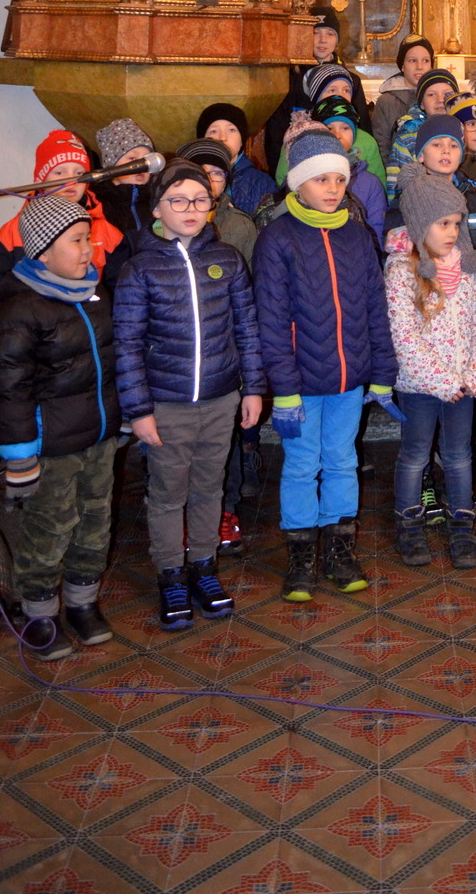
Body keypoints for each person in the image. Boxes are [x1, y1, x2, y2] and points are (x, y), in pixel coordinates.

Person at [113, 161, 264, 631]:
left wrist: (253, 388)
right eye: (177, 200)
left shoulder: (227, 260)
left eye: (200, 199)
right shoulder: (140, 268)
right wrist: (139, 409)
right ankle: (171, 575)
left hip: (220, 398)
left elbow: (247, 329)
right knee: (166, 494)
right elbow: (127, 343)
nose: (190, 209)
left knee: (209, 487)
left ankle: (203, 566)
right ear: (158, 208)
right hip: (166, 404)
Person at [252, 131, 397, 600]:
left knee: (341, 461)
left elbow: (375, 308)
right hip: (299, 382)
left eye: (339, 179)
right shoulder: (277, 239)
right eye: (321, 180)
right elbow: (272, 320)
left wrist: (382, 373)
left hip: (348, 379)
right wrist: (283, 388)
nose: (333, 188)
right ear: (298, 183)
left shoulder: (357, 236)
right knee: (300, 465)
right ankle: (300, 554)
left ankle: (339, 549)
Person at [0, 195, 122, 660]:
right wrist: (20, 453)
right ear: (43, 251)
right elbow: (9, 388)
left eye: (89, 239)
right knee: (50, 527)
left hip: (97, 437)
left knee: (95, 522)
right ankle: (39, 612)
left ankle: (82, 602)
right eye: (77, 241)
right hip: (52, 447)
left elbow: (109, 364)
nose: (88, 249)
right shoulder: (19, 308)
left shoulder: (94, 294)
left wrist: (120, 415)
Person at [387, 173, 476, 569]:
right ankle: (409, 523)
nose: (452, 232)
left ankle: (462, 526)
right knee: (415, 454)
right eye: (443, 223)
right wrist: (443, 382)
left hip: (464, 386)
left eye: (456, 223)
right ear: (420, 225)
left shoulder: (467, 268)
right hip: (421, 386)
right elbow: (404, 337)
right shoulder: (402, 271)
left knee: (458, 455)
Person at [0, 130, 125, 397]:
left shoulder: (110, 234)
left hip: (92, 362)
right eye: (59, 172)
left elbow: (122, 304)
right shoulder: (11, 236)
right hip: (34, 367)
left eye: (79, 172)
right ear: (41, 178)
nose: (70, 180)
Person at [176, 136, 260, 561]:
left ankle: (225, 510)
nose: (210, 181)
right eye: (201, 173)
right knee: (182, 448)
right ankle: (184, 518)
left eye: (217, 174)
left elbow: (251, 298)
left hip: (226, 351)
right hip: (180, 358)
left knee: (222, 441)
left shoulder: (240, 227)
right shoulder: (165, 234)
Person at [264, 6, 370, 176]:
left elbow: (363, 127)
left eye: (330, 34)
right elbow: (275, 134)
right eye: (316, 33)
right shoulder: (290, 79)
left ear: (337, 40)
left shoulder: (351, 81)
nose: (323, 40)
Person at [384, 114, 476, 253]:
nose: (446, 150)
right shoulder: (407, 202)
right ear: (421, 155)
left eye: (453, 145)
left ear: (461, 155)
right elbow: (393, 250)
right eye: (436, 144)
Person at [310, 96, 387, 243]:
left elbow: (377, 233)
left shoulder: (370, 184)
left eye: (345, 128)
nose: (337, 135)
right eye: (329, 128)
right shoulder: (305, 178)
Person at [177, 138, 257, 264]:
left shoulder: (241, 225)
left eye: (217, 173)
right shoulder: (167, 220)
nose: (208, 179)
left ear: (224, 183)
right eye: (200, 170)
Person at [386, 67, 459, 198]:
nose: (440, 99)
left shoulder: (466, 130)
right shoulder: (408, 137)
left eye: (447, 94)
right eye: (431, 95)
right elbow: (395, 182)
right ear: (422, 104)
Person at [194, 103, 271, 218]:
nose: (222, 137)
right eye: (213, 131)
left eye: (231, 130)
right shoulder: (191, 178)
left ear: (242, 140)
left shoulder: (261, 182)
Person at [91, 118, 160, 234]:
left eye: (147, 160)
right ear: (112, 166)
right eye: (132, 159)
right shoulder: (98, 205)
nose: (142, 166)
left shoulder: (156, 199)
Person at [372, 36, 434, 163]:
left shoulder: (439, 98)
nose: (419, 67)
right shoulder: (386, 102)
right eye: (412, 60)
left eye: (425, 60)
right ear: (402, 66)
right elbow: (381, 146)